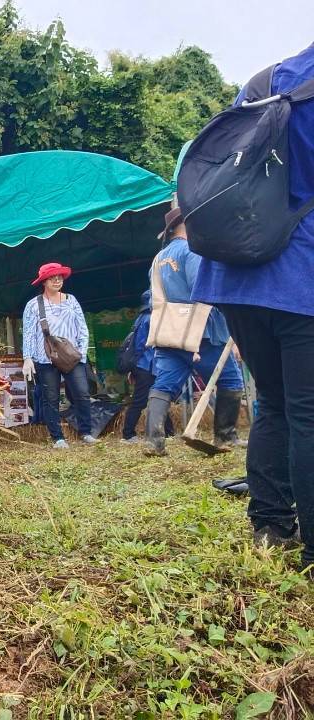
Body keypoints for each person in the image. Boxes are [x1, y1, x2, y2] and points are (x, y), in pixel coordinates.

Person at [192, 43, 314, 562]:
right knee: (308, 410)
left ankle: (269, 526)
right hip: (301, 274)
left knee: (275, 403)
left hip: (237, 273)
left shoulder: (266, 80)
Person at [143, 205, 245, 457]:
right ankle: (225, 436)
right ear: (184, 225)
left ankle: (153, 441)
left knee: (164, 385)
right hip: (202, 331)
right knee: (231, 380)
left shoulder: (158, 259)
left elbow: (155, 298)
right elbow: (203, 289)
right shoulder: (192, 251)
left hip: (168, 331)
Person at [20, 262, 96, 449]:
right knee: (50, 397)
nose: (57, 280)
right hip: (45, 357)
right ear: (44, 281)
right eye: (52, 277)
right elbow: (28, 332)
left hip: (72, 356)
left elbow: (82, 328)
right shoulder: (33, 305)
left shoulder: (72, 300)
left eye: (60, 276)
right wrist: (27, 357)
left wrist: (82, 352)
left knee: (82, 393)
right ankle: (58, 438)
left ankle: (86, 432)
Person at [120, 290, 175, 443]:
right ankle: (128, 434)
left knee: (157, 397)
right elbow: (145, 346)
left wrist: (133, 369)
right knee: (142, 400)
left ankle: (170, 432)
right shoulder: (151, 318)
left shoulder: (140, 319)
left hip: (143, 366)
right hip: (148, 365)